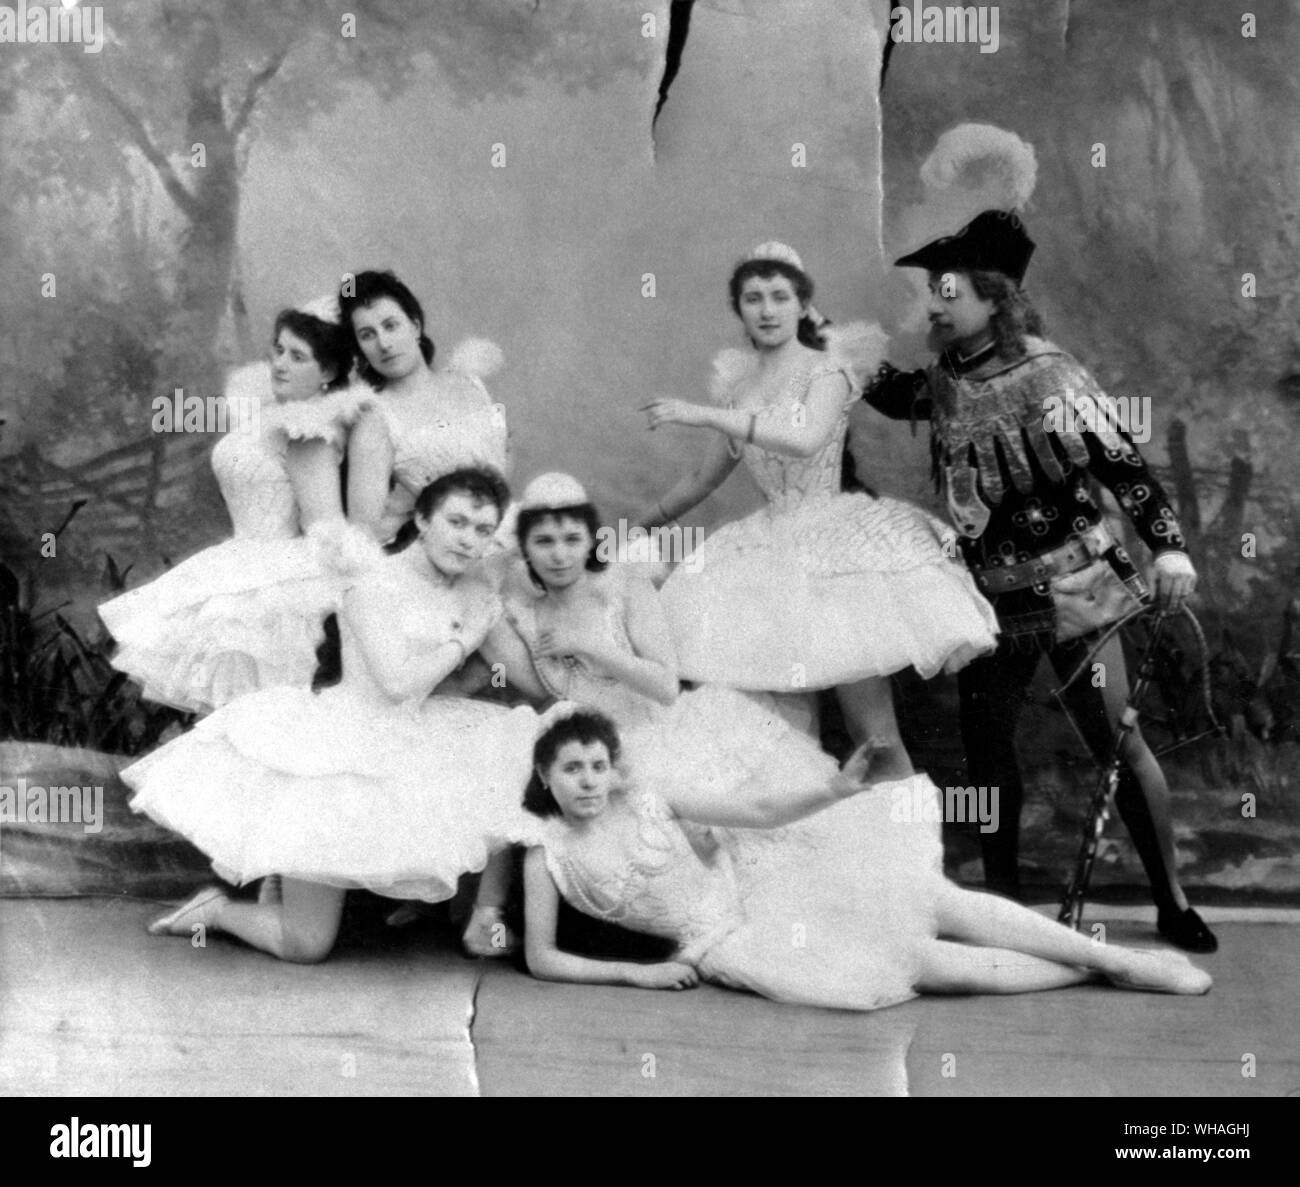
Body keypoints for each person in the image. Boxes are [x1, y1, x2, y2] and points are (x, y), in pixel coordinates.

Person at [859, 208, 1215, 952]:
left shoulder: (1051, 374)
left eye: (948, 290)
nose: (934, 303)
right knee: (985, 753)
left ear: (995, 297)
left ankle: (1171, 900)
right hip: (990, 600)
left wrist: (1169, 549)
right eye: (933, 289)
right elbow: (899, 398)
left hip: (1079, 590)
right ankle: (1005, 909)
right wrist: (832, 351)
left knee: (1117, 738)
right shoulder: (948, 378)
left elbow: (1124, 467)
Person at [520, 708, 1212, 1006]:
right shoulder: (543, 851)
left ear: (614, 769)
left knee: (935, 898)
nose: (587, 779)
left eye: (597, 765)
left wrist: (833, 787)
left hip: (772, 881)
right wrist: (637, 978)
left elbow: (758, 813)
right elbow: (542, 959)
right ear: (545, 775)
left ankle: (1123, 960)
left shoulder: (651, 796)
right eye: (571, 768)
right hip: (728, 939)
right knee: (922, 963)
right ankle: (1089, 972)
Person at [123, 467, 537, 963]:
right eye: (457, 522)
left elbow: (478, 681)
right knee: (305, 945)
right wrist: (466, 639)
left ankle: (481, 919)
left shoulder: (467, 593)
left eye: (482, 530)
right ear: (424, 519)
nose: (468, 539)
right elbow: (396, 682)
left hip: (413, 731)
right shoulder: (371, 582)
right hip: (343, 740)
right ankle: (216, 911)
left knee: (509, 738)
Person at [462, 471, 869, 954]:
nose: (559, 554)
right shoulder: (524, 613)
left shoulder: (626, 588)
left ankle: (807, 918)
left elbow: (665, 686)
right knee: (512, 756)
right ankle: (487, 920)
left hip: (658, 733)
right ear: (524, 547)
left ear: (592, 537)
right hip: (593, 750)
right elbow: (536, 691)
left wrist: (593, 646)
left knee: (751, 852)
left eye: (572, 539)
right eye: (544, 541)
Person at [638, 242, 999, 773]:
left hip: (834, 547)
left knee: (870, 733)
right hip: (764, 552)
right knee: (777, 731)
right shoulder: (737, 386)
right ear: (737, 308)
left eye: (779, 297)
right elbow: (701, 479)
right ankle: (809, 841)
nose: (766, 310)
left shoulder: (827, 371)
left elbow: (803, 439)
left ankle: (905, 849)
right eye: (753, 298)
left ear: (802, 303)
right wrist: (635, 529)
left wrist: (701, 415)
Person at [99, 300, 368, 713]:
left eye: (298, 357)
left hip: (277, 578)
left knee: (259, 709)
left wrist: (325, 603)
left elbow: (324, 527)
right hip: (239, 558)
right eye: (278, 350)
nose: (280, 364)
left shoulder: (307, 432)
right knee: (231, 711)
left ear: (329, 373)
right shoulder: (271, 416)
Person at [339, 270, 508, 548]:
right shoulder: (375, 418)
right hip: (441, 552)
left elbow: (500, 460)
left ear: (415, 326)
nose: (383, 343)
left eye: (391, 325)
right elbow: (363, 533)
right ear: (360, 349)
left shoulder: (470, 382)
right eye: (367, 335)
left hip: (500, 535)